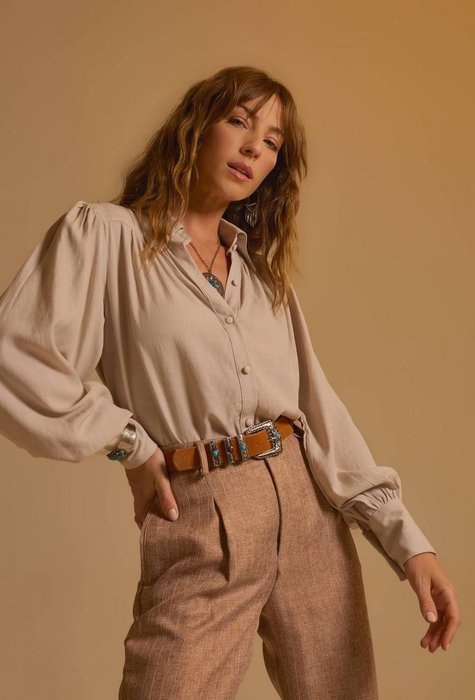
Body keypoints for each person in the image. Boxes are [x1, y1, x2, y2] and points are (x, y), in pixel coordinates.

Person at [0, 65, 460, 699]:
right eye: (240, 122)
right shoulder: (108, 237)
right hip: (199, 507)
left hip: (307, 512)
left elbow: (318, 413)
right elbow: (15, 356)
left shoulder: (261, 277)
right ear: (195, 128)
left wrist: (410, 545)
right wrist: (127, 443)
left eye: (271, 142)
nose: (253, 148)